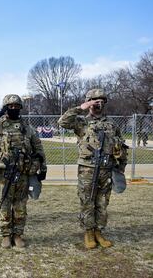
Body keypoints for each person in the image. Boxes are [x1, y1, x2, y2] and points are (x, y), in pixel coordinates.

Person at [0, 94, 47, 248]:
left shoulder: (27, 129)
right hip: (3, 174)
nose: (13, 109)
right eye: (10, 106)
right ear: (5, 108)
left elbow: (39, 149)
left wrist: (43, 168)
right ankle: (6, 235)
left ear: (20, 108)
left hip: (23, 173)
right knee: (4, 204)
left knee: (20, 206)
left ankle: (18, 235)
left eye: (16, 106)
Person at [58, 88, 128, 249]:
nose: (99, 104)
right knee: (87, 201)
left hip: (106, 169)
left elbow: (122, 147)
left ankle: (99, 231)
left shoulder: (111, 124)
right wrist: (80, 108)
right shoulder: (81, 122)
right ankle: (88, 232)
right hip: (88, 169)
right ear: (89, 101)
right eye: (95, 101)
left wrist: (120, 169)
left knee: (102, 202)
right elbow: (62, 122)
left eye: (102, 101)